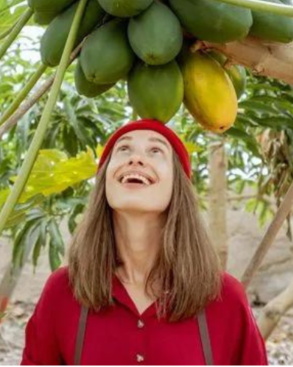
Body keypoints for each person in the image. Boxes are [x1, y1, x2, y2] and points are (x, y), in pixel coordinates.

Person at [21, 118, 269, 365]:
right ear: (104, 181)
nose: (136, 159)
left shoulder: (225, 298)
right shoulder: (62, 292)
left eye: (155, 150)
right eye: (124, 149)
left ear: (178, 185)